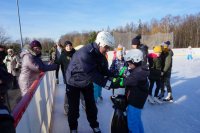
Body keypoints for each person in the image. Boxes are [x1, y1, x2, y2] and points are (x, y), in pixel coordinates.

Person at [66, 31, 120, 133]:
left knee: (91, 106)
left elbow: (104, 70)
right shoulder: (85, 54)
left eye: (109, 47)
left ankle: (94, 125)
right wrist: (111, 84)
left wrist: (116, 75)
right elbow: (94, 75)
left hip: (86, 82)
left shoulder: (101, 54)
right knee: (73, 109)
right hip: (73, 82)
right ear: (100, 43)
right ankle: (73, 128)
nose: (108, 50)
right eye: (107, 47)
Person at [123, 49, 149, 133]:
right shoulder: (138, 70)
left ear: (136, 62)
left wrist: (116, 81)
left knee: (132, 124)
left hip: (135, 102)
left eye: (130, 63)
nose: (128, 65)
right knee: (137, 121)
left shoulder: (138, 73)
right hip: (137, 101)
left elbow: (127, 82)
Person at [57, 40, 76, 115]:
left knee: (80, 89)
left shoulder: (75, 53)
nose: (69, 47)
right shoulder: (63, 55)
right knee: (68, 91)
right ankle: (66, 106)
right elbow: (58, 63)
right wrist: (52, 64)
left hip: (77, 75)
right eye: (67, 46)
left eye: (70, 45)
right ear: (65, 47)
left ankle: (84, 103)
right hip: (67, 76)